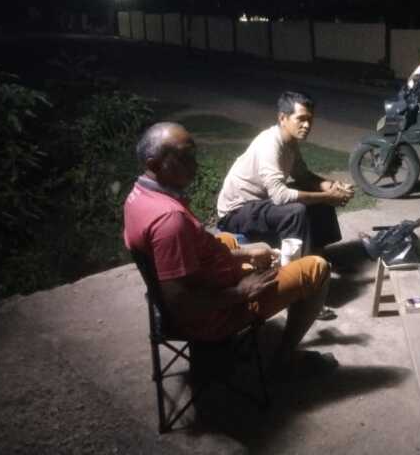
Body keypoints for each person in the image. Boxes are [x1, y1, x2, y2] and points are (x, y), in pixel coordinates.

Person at [124, 122, 337, 373]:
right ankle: (285, 357)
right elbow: (181, 303)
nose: (195, 164)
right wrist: (241, 291)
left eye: (194, 154)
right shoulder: (170, 220)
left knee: (229, 240)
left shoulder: (139, 196)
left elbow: (192, 253)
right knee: (318, 268)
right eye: (184, 157)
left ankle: (245, 271)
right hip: (213, 315)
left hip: (204, 284)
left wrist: (244, 253)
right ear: (154, 165)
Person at [216, 91, 354, 254]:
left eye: (310, 119)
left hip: (260, 203)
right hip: (235, 213)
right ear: (283, 118)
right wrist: (328, 197)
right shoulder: (270, 144)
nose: (307, 125)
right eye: (301, 119)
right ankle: (298, 262)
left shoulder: (290, 142)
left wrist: (333, 186)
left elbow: (303, 176)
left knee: (318, 193)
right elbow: (279, 196)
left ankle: (317, 254)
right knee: (295, 211)